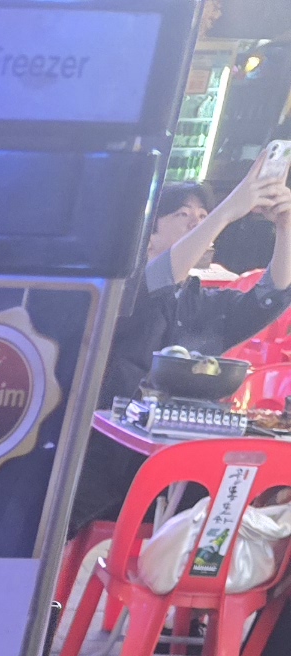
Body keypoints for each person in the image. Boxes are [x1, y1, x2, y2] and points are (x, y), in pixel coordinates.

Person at [69, 151, 291, 534]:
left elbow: (269, 296)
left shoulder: (203, 303)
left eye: (203, 216)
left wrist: (286, 228)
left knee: (213, 509)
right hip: (99, 457)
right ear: (149, 234)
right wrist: (225, 212)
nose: (198, 222)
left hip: (172, 469)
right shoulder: (123, 289)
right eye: (183, 214)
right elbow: (157, 282)